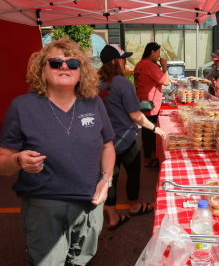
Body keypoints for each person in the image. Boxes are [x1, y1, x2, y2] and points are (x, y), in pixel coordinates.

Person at [0, 38, 115, 265]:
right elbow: (3, 164)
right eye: (55, 63)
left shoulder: (94, 103)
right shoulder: (22, 106)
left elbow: (107, 146)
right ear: (42, 72)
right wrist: (18, 159)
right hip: (43, 206)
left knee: (82, 260)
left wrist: (106, 178)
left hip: (89, 204)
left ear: (80, 73)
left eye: (72, 64)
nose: (64, 67)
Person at [97, 44, 167, 231]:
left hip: (103, 142)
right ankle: (134, 206)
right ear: (114, 61)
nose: (125, 61)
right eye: (122, 58)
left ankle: (112, 217)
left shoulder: (94, 82)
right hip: (125, 139)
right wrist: (155, 128)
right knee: (134, 173)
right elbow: (135, 115)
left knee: (109, 177)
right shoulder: (122, 82)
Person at [134, 42, 172, 167]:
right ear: (152, 52)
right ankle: (148, 158)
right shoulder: (150, 65)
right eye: (158, 53)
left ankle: (149, 156)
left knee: (146, 131)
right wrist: (164, 66)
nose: (159, 55)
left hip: (142, 101)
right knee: (151, 131)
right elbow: (166, 82)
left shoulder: (139, 64)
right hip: (151, 104)